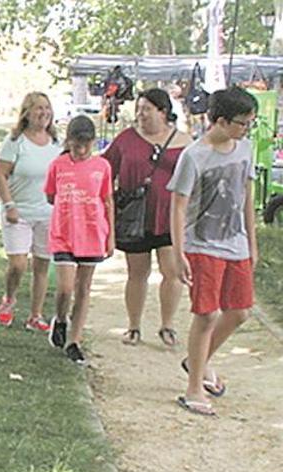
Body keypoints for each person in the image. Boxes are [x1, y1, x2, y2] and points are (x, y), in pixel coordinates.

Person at [168, 87, 258, 416]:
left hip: (236, 243)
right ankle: (194, 387)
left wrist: (252, 242)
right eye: (242, 123)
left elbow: (246, 196)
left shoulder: (245, 149)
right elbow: (178, 207)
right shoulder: (194, 155)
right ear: (219, 121)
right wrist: (179, 254)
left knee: (240, 311)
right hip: (202, 244)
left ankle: (197, 361)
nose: (247, 128)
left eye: (251, 123)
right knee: (205, 314)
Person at [103, 88, 192, 346]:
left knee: (172, 272)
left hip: (170, 217)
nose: (141, 114)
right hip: (136, 216)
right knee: (137, 273)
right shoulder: (126, 139)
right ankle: (133, 325)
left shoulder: (184, 142)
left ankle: (167, 325)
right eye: (139, 109)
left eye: (147, 109)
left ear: (163, 112)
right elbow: (105, 168)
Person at [44, 115, 115, 364]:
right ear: (69, 142)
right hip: (64, 232)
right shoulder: (58, 164)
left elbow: (107, 200)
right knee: (65, 288)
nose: (82, 150)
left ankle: (75, 340)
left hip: (92, 232)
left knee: (83, 288)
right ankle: (61, 319)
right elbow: (51, 196)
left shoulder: (102, 167)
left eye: (86, 145)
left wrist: (110, 237)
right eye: (77, 145)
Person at [0, 92, 61, 331]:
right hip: (18, 211)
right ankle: (9, 299)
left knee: (42, 264)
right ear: (27, 113)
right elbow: (0, 175)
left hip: (46, 211)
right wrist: (9, 205)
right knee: (19, 264)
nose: (44, 113)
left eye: (47, 108)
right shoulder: (15, 141)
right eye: (38, 108)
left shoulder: (55, 143)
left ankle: (36, 314)